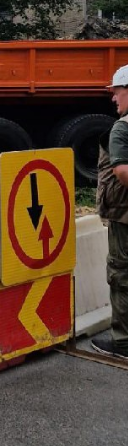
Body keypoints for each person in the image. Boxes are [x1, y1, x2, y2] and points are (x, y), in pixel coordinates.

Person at [94, 63, 128, 358]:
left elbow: (121, 171)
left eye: (117, 92)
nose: (113, 98)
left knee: (120, 275)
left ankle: (122, 342)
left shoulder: (122, 128)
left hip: (124, 215)